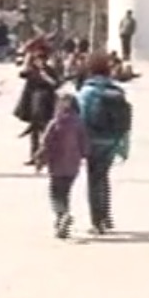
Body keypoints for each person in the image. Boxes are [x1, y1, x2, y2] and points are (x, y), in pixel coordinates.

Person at [76, 52, 132, 235]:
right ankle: (106, 216)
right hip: (112, 138)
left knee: (93, 180)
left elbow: (81, 119)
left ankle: (96, 220)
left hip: (93, 139)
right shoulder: (117, 90)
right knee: (104, 177)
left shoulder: (86, 91)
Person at [36, 92, 90, 239]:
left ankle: (61, 215)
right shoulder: (79, 122)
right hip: (73, 165)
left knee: (55, 193)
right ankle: (63, 216)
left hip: (56, 164)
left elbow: (45, 143)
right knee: (65, 192)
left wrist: (40, 160)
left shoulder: (55, 122)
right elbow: (84, 144)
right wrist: (83, 155)